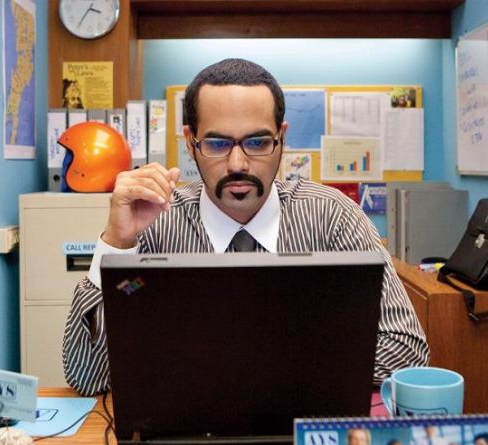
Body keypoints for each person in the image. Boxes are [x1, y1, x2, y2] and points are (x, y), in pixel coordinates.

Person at [62, 58, 430, 396]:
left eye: (257, 142)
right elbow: (87, 376)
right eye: (217, 143)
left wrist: (238, 362)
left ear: (281, 138)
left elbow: (407, 351)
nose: (238, 163)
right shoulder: (154, 224)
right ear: (190, 143)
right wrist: (116, 244)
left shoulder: (333, 218)